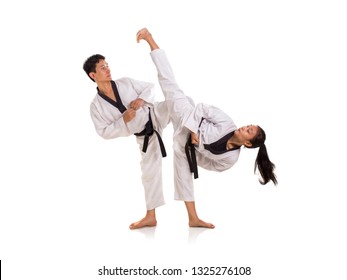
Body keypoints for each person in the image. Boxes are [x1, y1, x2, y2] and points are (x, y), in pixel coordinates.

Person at [136, 28, 277, 229]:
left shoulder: (230, 159)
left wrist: (193, 152)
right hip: (186, 115)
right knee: (169, 83)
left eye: (249, 131)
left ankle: (193, 219)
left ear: (247, 143)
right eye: (249, 125)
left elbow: (210, 164)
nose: (245, 126)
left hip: (186, 148)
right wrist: (194, 131)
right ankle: (150, 39)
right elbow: (201, 108)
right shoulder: (228, 123)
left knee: (184, 178)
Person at [83, 51, 170, 230]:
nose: (108, 70)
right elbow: (104, 132)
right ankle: (150, 217)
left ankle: (196, 133)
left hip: (156, 114)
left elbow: (150, 87)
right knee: (149, 174)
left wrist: (141, 98)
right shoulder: (96, 106)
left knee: (179, 102)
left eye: (107, 66)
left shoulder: (125, 82)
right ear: (93, 75)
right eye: (102, 68)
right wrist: (123, 121)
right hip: (145, 136)